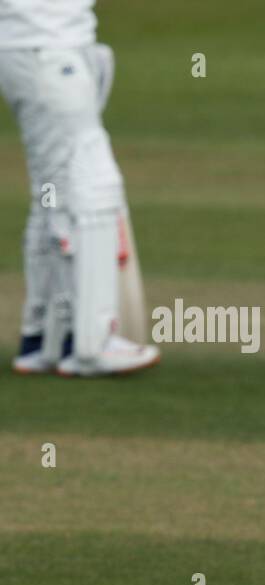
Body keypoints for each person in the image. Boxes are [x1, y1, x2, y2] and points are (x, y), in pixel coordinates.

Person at [0, 0, 158, 376]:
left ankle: (46, 338)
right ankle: (92, 344)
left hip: (41, 45)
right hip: (47, 47)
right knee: (92, 186)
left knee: (53, 190)